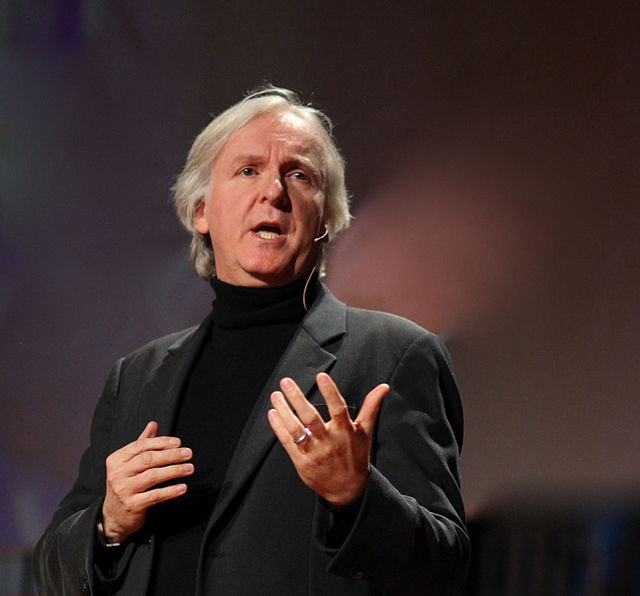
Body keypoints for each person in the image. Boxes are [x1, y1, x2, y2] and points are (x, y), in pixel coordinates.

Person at [34, 86, 469, 596]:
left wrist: (357, 497)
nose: (274, 192)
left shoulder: (394, 355)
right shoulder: (137, 376)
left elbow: (444, 570)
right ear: (201, 212)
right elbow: (51, 570)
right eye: (247, 171)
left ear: (326, 219)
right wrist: (108, 526)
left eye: (299, 175)